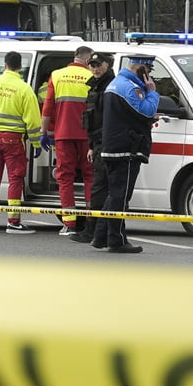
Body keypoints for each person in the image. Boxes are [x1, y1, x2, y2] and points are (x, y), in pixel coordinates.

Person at [0, 50, 42, 234]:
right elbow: (33, 122)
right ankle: (13, 222)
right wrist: (36, 143)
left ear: (5, 65)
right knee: (15, 180)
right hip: (13, 140)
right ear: (20, 67)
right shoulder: (24, 88)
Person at [96, 55, 160, 254]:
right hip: (126, 149)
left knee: (114, 195)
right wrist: (153, 93)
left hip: (113, 147)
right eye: (148, 70)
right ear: (141, 68)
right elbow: (146, 112)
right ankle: (117, 240)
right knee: (120, 197)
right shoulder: (130, 88)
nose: (149, 75)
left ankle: (100, 236)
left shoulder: (116, 84)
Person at [40, 45, 95, 237]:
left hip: (63, 133)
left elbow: (47, 108)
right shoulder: (92, 76)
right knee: (90, 176)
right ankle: (91, 221)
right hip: (87, 135)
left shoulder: (57, 75)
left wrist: (43, 131)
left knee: (65, 177)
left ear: (75, 57)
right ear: (89, 60)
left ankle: (69, 224)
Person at [69, 51, 115, 246]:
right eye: (92, 65)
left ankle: (94, 231)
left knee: (100, 188)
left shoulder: (109, 87)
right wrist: (90, 146)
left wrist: (99, 144)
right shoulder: (95, 85)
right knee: (100, 188)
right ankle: (97, 231)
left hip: (106, 143)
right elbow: (91, 118)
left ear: (108, 65)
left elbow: (108, 120)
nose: (95, 69)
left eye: (99, 65)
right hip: (97, 143)